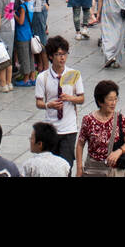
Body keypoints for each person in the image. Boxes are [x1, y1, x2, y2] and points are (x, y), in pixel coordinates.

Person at [35, 36, 84, 164]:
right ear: (51, 56)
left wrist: (70, 98)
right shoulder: (42, 77)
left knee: (66, 165)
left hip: (69, 128)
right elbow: (39, 102)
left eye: (64, 54)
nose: (62, 58)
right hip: (51, 128)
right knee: (51, 165)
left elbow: (81, 98)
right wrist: (48, 105)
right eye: (58, 54)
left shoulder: (74, 74)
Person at [76, 80, 125, 177]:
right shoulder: (88, 120)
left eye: (115, 99)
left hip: (114, 171)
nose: (113, 103)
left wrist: (119, 151)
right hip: (93, 170)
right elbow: (80, 145)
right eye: (110, 99)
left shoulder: (120, 118)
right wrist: (79, 168)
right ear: (100, 101)